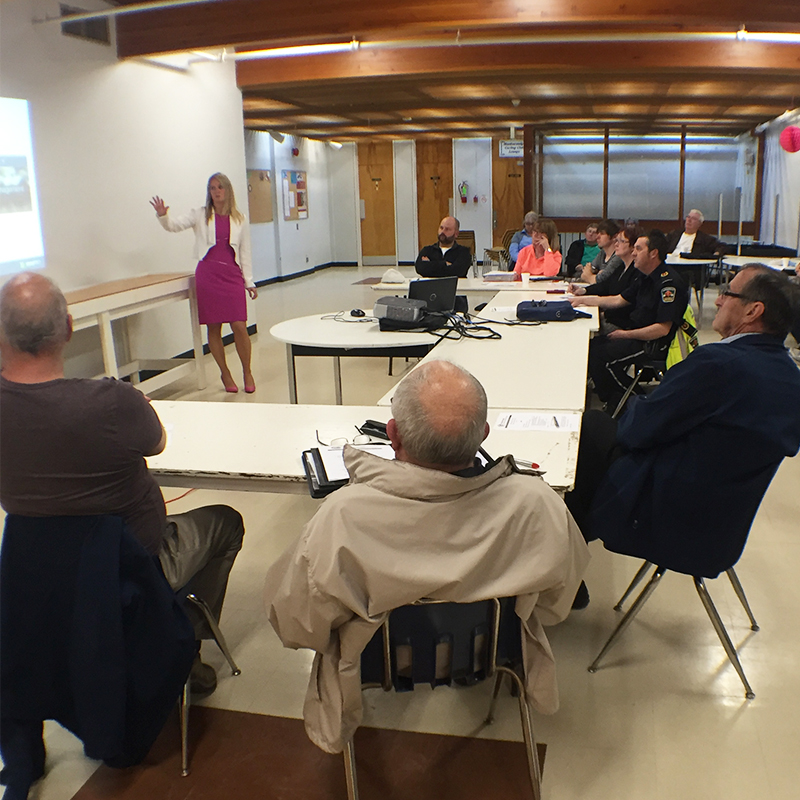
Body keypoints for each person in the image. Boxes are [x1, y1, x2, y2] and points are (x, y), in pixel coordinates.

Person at [264, 360, 589, 754]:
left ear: (393, 434)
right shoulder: (537, 504)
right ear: (483, 434)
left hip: (377, 662)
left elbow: (295, 622)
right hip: (493, 650)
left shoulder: (343, 516)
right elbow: (557, 601)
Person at [0, 273, 245, 698]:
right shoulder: (114, 402)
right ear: (70, 329)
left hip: (40, 575)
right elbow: (159, 443)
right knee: (226, 523)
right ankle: (180, 651)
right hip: (132, 566)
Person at [565, 265, 800, 579]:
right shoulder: (789, 378)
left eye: (728, 293)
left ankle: (559, 564)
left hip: (664, 519)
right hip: (720, 532)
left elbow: (636, 431)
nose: (718, 301)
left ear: (753, 311)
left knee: (589, 430)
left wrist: (639, 404)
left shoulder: (718, 365)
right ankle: (566, 563)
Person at [151, 172, 258, 394]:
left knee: (239, 325)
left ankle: (247, 371)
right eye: (212, 188)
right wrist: (163, 216)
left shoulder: (240, 218)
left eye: (220, 187)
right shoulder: (200, 215)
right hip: (208, 275)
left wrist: (249, 281)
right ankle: (225, 373)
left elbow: (245, 251)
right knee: (214, 326)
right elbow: (174, 226)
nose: (216, 191)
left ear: (228, 190)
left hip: (232, 275)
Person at [569, 230, 687, 411]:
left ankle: (639, 403)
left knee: (600, 358)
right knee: (591, 347)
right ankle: (615, 400)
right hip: (635, 334)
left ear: (653, 253)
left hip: (652, 343)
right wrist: (581, 300)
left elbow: (662, 329)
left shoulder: (668, 283)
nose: (633, 253)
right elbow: (618, 299)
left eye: (638, 249)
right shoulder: (644, 276)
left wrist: (625, 334)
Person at [571, 225, 641, 332]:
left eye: (621, 241)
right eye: (616, 240)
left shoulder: (636, 272)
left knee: (579, 328)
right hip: (610, 317)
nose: (616, 244)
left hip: (622, 325)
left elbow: (621, 303)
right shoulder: (622, 266)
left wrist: (584, 301)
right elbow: (605, 285)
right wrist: (584, 291)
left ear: (633, 246)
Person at [579, 219, 622, 285]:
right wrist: (596, 274)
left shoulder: (618, 256)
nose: (597, 237)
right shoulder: (602, 253)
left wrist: (591, 276)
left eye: (602, 233)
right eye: (598, 233)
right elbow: (585, 272)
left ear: (614, 237)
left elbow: (601, 280)